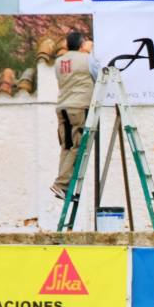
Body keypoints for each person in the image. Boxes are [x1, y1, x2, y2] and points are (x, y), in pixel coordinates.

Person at [51, 31, 99, 200]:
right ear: (81, 44)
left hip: (62, 107)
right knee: (78, 145)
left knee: (67, 146)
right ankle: (61, 184)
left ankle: (62, 185)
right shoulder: (87, 59)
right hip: (79, 106)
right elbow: (98, 77)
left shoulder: (58, 62)